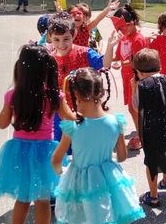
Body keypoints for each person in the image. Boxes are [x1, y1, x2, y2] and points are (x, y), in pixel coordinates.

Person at [52, 68, 144, 224]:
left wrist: (62, 173)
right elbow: (121, 157)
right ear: (101, 92)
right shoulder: (115, 122)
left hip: (80, 185)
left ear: (77, 96)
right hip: (105, 184)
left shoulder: (73, 127)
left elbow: (56, 159)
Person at [0, 43, 72, 224]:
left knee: (23, 198)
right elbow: (69, 118)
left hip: (18, 151)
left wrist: (9, 106)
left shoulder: (12, 95)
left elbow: (2, 123)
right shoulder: (54, 96)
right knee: (43, 200)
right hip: (45, 152)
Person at [48, 14, 115, 146]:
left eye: (66, 39)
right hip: (59, 115)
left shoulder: (84, 53)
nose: (61, 44)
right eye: (56, 39)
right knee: (61, 149)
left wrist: (110, 47)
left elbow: (105, 64)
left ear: (74, 34)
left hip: (84, 113)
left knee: (83, 149)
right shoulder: (49, 60)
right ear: (50, 37)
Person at [132, 48, 166, 207]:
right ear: (160, 67)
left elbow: (136, 107)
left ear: (139, 72)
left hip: (153, 131)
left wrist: (134, 87)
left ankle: (154, 196)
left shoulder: (142, 85)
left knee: (152, 163)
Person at [111, 3, 148, 150]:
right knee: (132, 108)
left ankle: (141, 137)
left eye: (122, 28)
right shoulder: (124, 38)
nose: (121, 31)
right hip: (127, 78)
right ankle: (141, 133)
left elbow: (137, 61)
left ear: (131, 23)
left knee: (135, 108)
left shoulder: (138, 39)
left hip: (138, 79)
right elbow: (117, 56)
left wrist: (121, 63)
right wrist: (105, 56)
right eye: (119, 29)